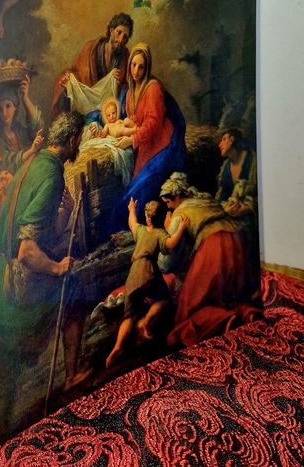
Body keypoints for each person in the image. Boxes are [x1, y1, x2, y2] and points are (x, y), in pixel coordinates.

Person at [0, 111, 91, 436]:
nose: (78, 145)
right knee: (75, 287)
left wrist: (64, 213)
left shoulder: (31, 163)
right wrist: (58, 267)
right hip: (21, 281)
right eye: (79, 140)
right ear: (72, 140)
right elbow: (27, 251)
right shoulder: (51, 175)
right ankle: (71, 377)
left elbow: (35, 232)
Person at [159, 172, 261, 348]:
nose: (168, 207)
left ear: (176, 195)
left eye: (168, 202)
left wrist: (167, 231)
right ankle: (244, 314)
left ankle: (225, 319)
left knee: (191, 305)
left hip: (215, 247)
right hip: (237, 241)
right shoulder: (205, 200)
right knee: (230, 295)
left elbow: (167, 263)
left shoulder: (179, 216)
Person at [108, 42, 186, 233]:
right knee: (131, 195)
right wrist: (127, 125)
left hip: (162, 147)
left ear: (147, 67)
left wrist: (132, 139)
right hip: (146, 146)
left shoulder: (153, 88)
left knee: (139, 193)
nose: (136, 71)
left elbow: (153, 123)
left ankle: (141, 232)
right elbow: (137, 119)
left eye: (141, 67)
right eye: (133, 65)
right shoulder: (129, 92)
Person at [105, 198, 189, 368]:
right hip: (148, 271)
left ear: (148, 219)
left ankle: (117, 346)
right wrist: (181, 227)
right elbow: (171, 243)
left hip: (133, 276)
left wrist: (131, 208)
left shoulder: (141, 231)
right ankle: (146, 321)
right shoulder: (160, 234)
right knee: (164, 298)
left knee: (129, 315)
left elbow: (132, 222)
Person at [52, 12, 134, 113]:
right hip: (86, 108)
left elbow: (129, 84)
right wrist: (68, 82)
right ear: (111, 30)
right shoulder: (90, 49)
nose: (120, 39)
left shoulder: (125, 57)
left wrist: (120, 83)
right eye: (119, 32)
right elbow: (77, 74)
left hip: (109, 113)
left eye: (125, 37)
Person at [0, 74, 44, 174]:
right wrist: (31, 151)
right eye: (0, 109)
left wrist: (25, 99)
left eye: (8, 106)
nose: (4, 113)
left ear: (15, 107)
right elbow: (7, 161)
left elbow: (38, 128)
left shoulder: (20, 129)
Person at [216, 128, 257, 219]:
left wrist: (249, 208)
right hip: (230, 217)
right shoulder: (226, 166)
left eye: (224, 139)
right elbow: (222, 196)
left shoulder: (252, 161)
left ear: (232, 140)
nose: (220, 145)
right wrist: (224, 210)